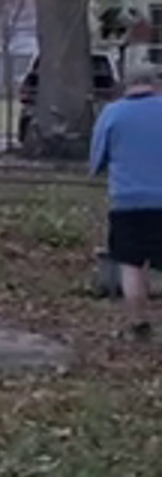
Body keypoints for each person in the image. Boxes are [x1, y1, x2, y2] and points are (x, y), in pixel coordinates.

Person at [89, 60, 162, 340]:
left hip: (127, 201)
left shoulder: (112, 113)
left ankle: (138, 323)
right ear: (155, 83)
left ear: (126, 85)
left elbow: (96, 159)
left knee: (131, 263)